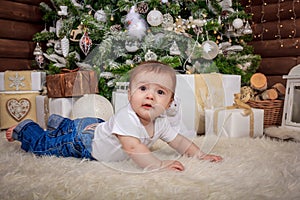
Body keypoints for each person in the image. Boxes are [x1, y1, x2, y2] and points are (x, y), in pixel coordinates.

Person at [6, 61, 222, 171]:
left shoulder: (162, 122)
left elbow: (180, 141)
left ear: (170, 101)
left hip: (96, 127)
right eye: (143, 88)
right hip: (83, 143)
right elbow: (133, 148)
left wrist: (200, 154)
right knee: (45, 145)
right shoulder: (127, 118)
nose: (150, 97)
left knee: (79, 127)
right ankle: (25, 128)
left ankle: (60, 123)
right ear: (129, 94)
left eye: (160, 92)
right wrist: (158, 165)